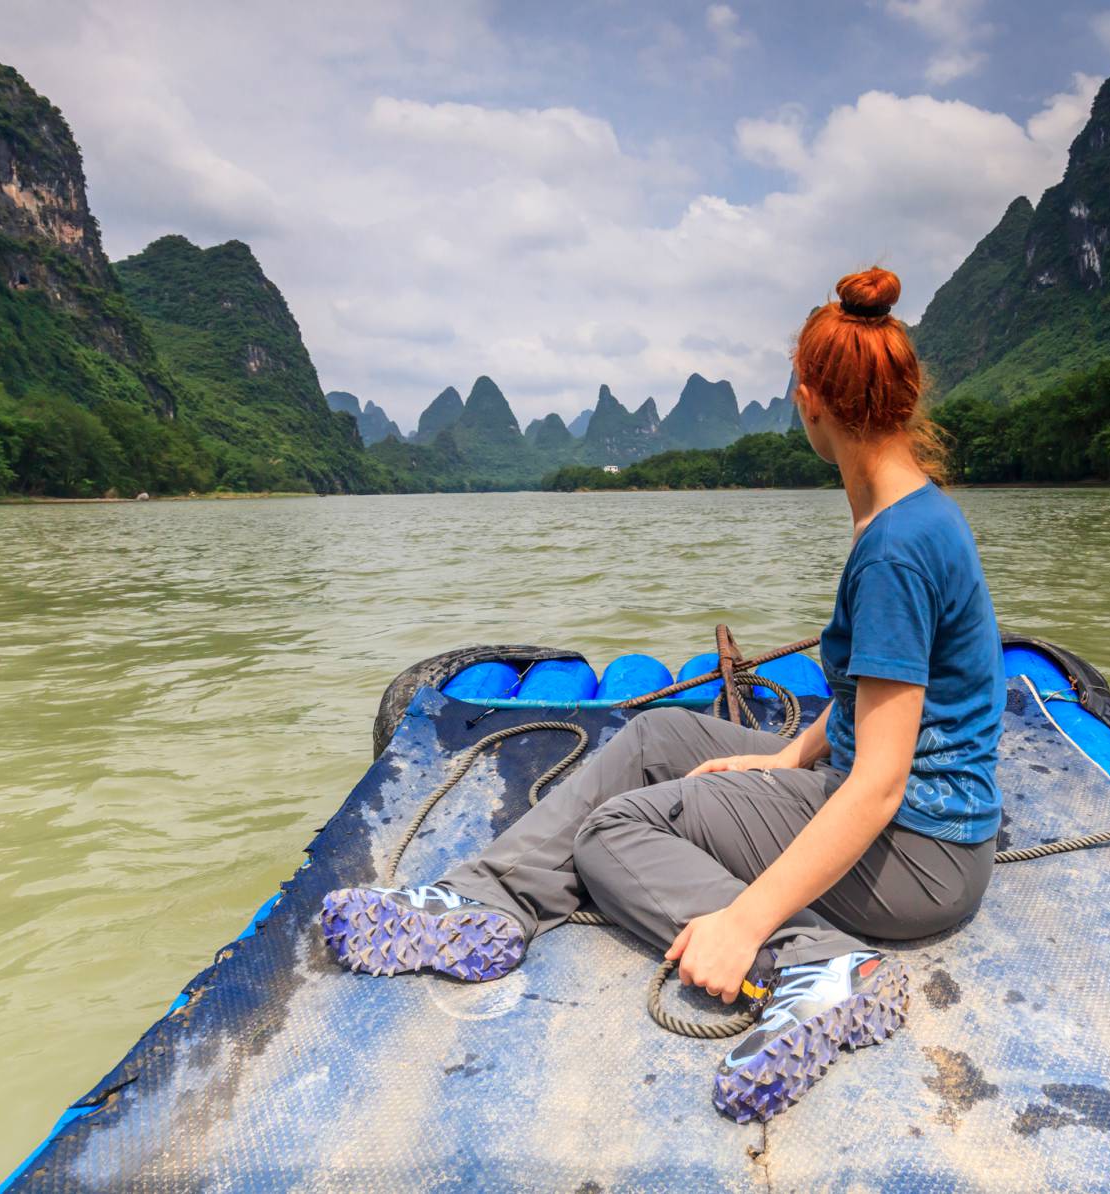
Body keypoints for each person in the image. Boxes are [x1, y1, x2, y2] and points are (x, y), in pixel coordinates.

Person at [319, 266, 1006, 1123]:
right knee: (658, 737)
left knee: (614, 835)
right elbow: (882, 687)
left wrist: (744, 922)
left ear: (808, 401)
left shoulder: (896, 549)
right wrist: (790, 755)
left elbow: (880, 785)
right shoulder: (908, 512)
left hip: (919, 856)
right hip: (921, 831)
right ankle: (490, 899)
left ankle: (817, 966)